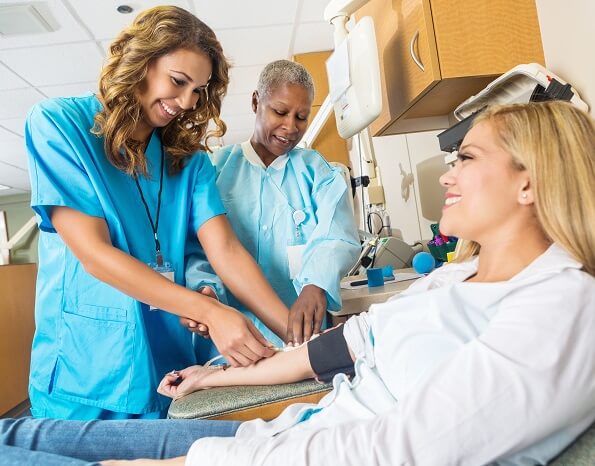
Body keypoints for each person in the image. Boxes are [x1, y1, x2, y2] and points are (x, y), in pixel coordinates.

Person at [3, 101, 594, 464]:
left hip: (288, 444)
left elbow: (400, 450)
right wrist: (224, 366)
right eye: (279, 111)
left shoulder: (563, 307)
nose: (447, 173)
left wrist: (309, 289)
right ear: (256, 104)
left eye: (466, 157)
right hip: (282, 417)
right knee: (20, 435)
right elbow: (344, 342)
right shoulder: (455, 277)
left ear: (530, 183)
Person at [23, 5, 292, 421]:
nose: (186, 102)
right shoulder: (59, 126)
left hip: (166, 360)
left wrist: (297, 335)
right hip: (86, 366)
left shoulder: (188, 161)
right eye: (178, 81)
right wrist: (207, 311)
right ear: (140, 63)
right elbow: (94, 254)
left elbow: (226, 251)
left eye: (198, 90)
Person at [186, 59, 360, 359]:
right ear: (256, 101)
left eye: (301, 117)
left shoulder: (318, 173)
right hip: (233, 345)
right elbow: (196, 249)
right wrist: (205, 291)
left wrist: (316, 283)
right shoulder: (215, 171)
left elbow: (337, 235)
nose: (290, 127)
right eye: (280, 112)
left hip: (304, 338)